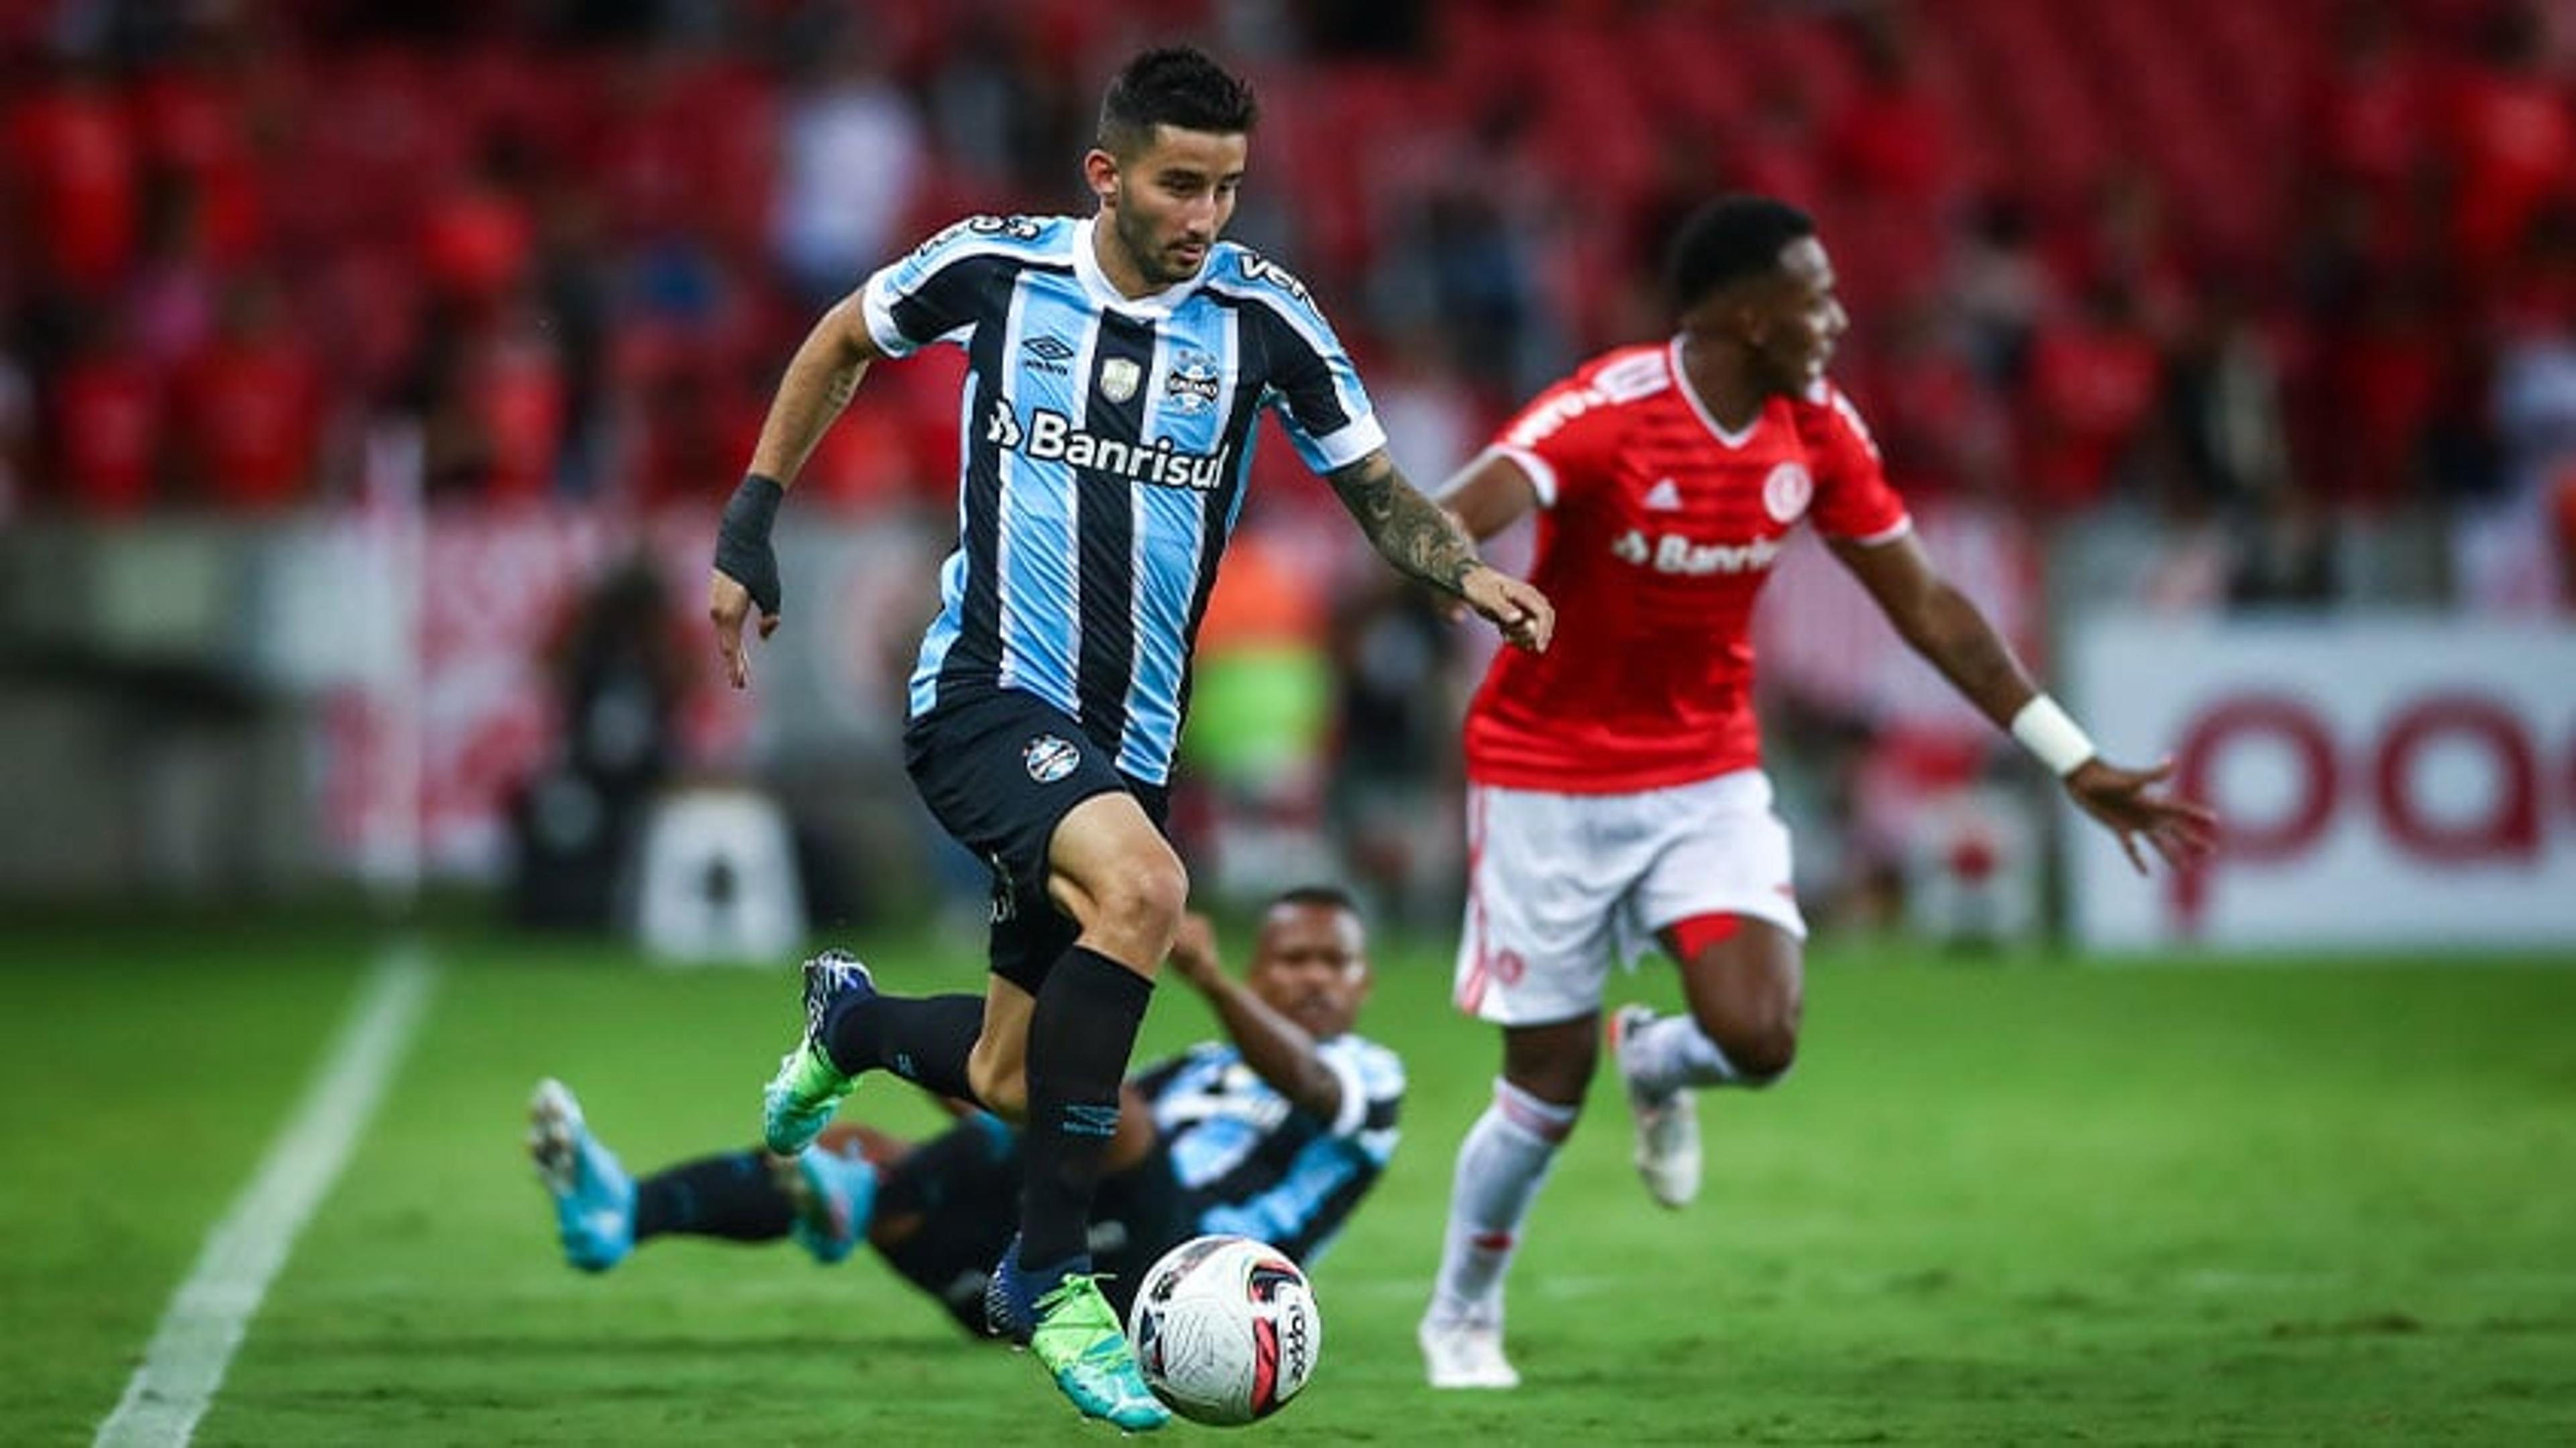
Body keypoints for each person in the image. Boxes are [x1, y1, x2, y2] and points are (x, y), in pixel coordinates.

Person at [705, 46, 1547, 1431]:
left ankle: (848, 1020)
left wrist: (1465, 573)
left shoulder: (1265, 318)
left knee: (1009, 1074)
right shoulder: (996, 269)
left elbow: (1382, 490)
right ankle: (1047, 1274)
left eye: (1226, 186)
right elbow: (841, 338)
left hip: (1127, 738)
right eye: (1179, 183)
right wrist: (751, 522)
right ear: (1107, 174)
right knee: (1149, 889)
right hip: (984, 698)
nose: (1206, 213)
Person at [1413, 195, 2219, 1390]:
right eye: (1816, 297)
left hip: (1706, 773)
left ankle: (1662, 1059)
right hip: (1547, 779)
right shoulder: (1608, 412)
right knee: (1545, 1084)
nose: (1837, 319)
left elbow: (1929, 607)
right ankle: (1462, 1315)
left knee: (1761, 1035)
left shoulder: (1818, 429)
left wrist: (2072, 756)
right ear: (1746, 312)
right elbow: (1442, 519)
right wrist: (1474, 586)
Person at [529, 889, 1398, 1337]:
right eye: (1292, 959)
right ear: (1267, 964)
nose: (1313, 976)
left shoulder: (1370, 1074)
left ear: (1364, 982)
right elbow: (1054, 1123)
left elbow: (1315, 1092)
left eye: (1334, 961)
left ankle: (855, 1198)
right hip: (1067, 1258)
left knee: (1108, 1100)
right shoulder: (1203, 1066)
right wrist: (975, 1073)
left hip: (1202, 1270)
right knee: (854, 1141)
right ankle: (621, 1215)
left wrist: (1213, 979)